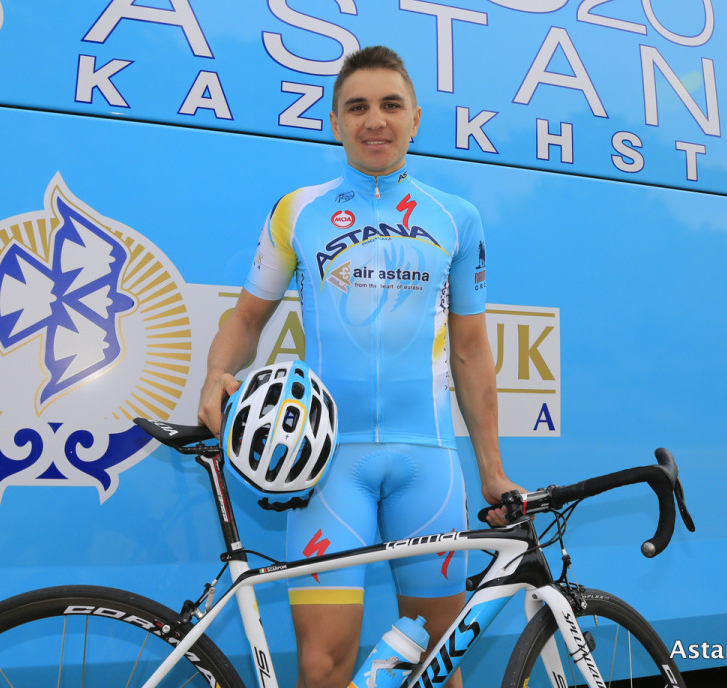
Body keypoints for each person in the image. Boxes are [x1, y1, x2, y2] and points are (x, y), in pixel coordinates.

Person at [197, 45, 520, 688]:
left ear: (415, 118)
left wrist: (491, 469)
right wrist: (213, 376)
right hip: (326, 467)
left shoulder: (458, 218)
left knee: (435, 666)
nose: (375, 120)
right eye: (358, 107)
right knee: (324, 666)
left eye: (390, 105)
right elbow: (247, 319)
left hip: (428, 460)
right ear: (335, 121)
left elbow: (470, 350)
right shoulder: (298, 210)